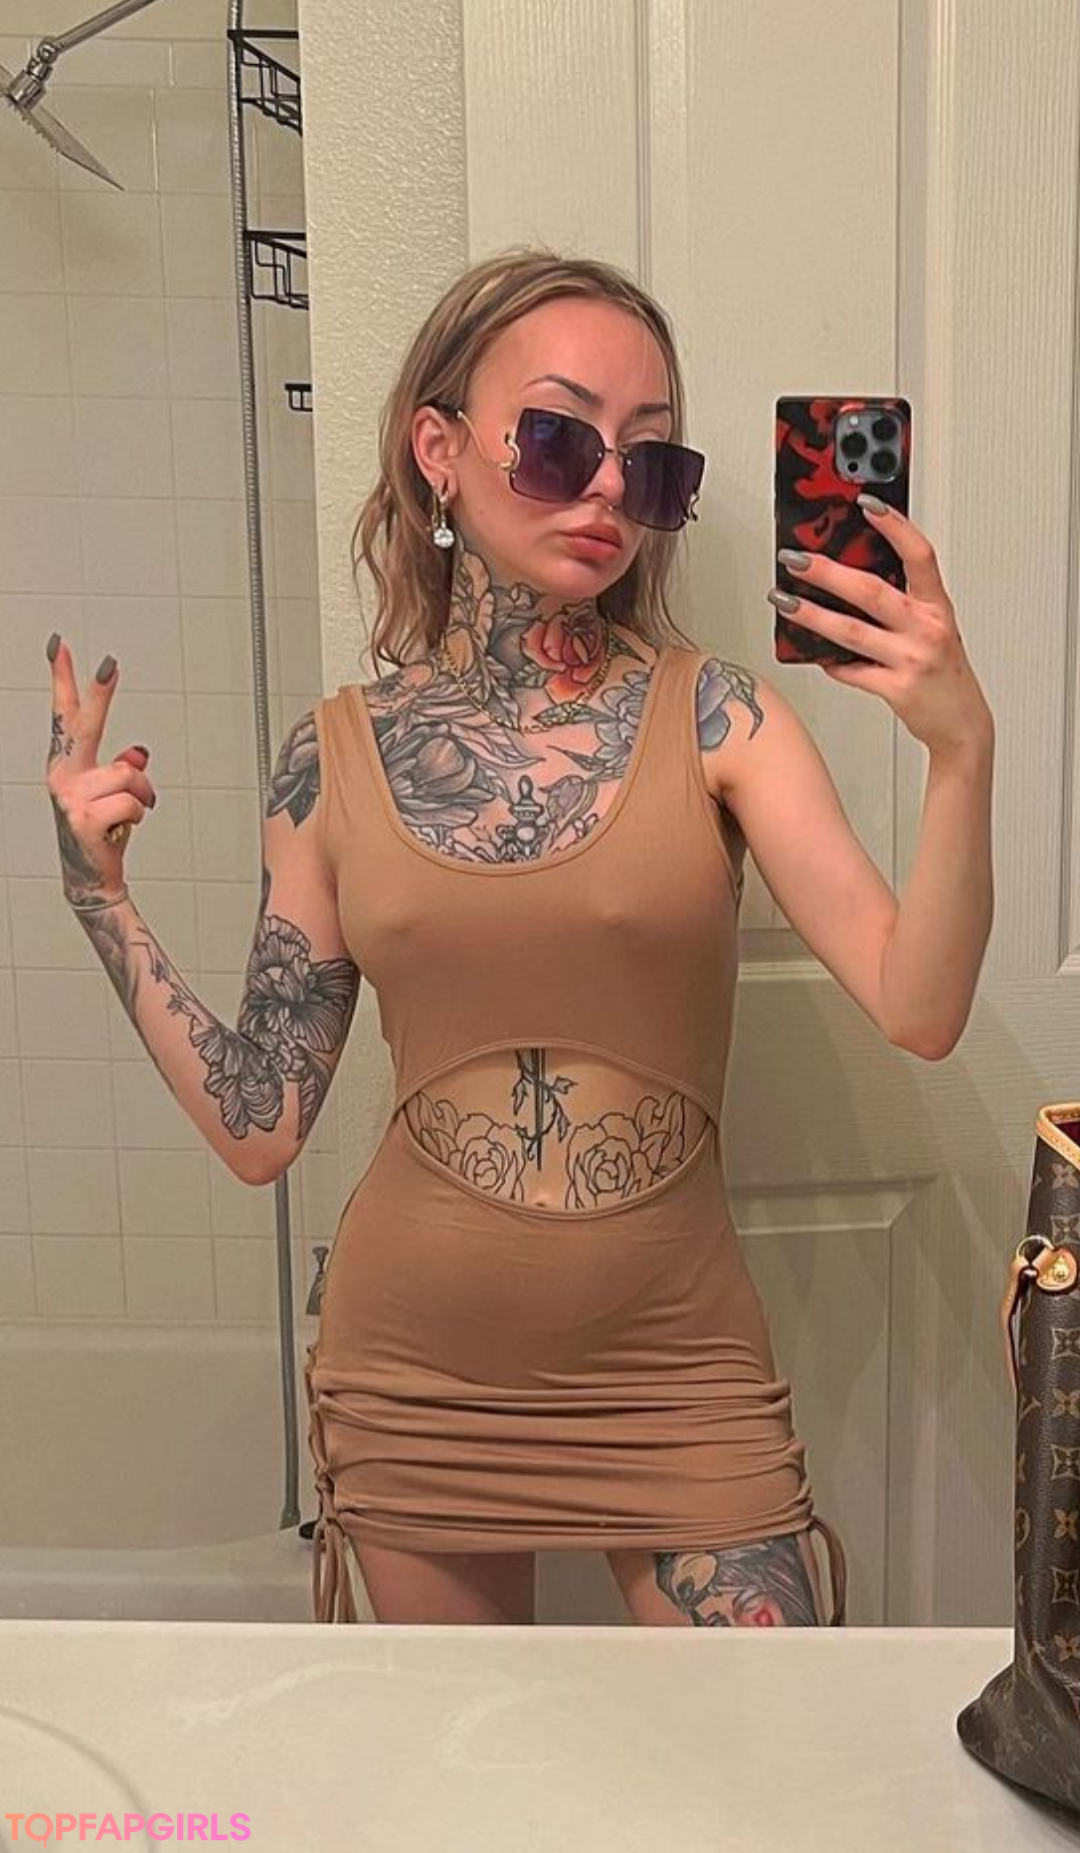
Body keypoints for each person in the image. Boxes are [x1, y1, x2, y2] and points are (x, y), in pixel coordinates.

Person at [45, 248, 995, 1629]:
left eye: (651, 462)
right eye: (557, 439)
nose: (607, 487)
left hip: (678, 1374)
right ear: (439, 450)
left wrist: (961, 753)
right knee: (475, 1760)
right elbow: (261, 1124)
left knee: (776, 1749)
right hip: (416, 1381)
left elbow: (921, 1006)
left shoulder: (722, 719)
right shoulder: (333, 756)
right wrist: (100, 900)